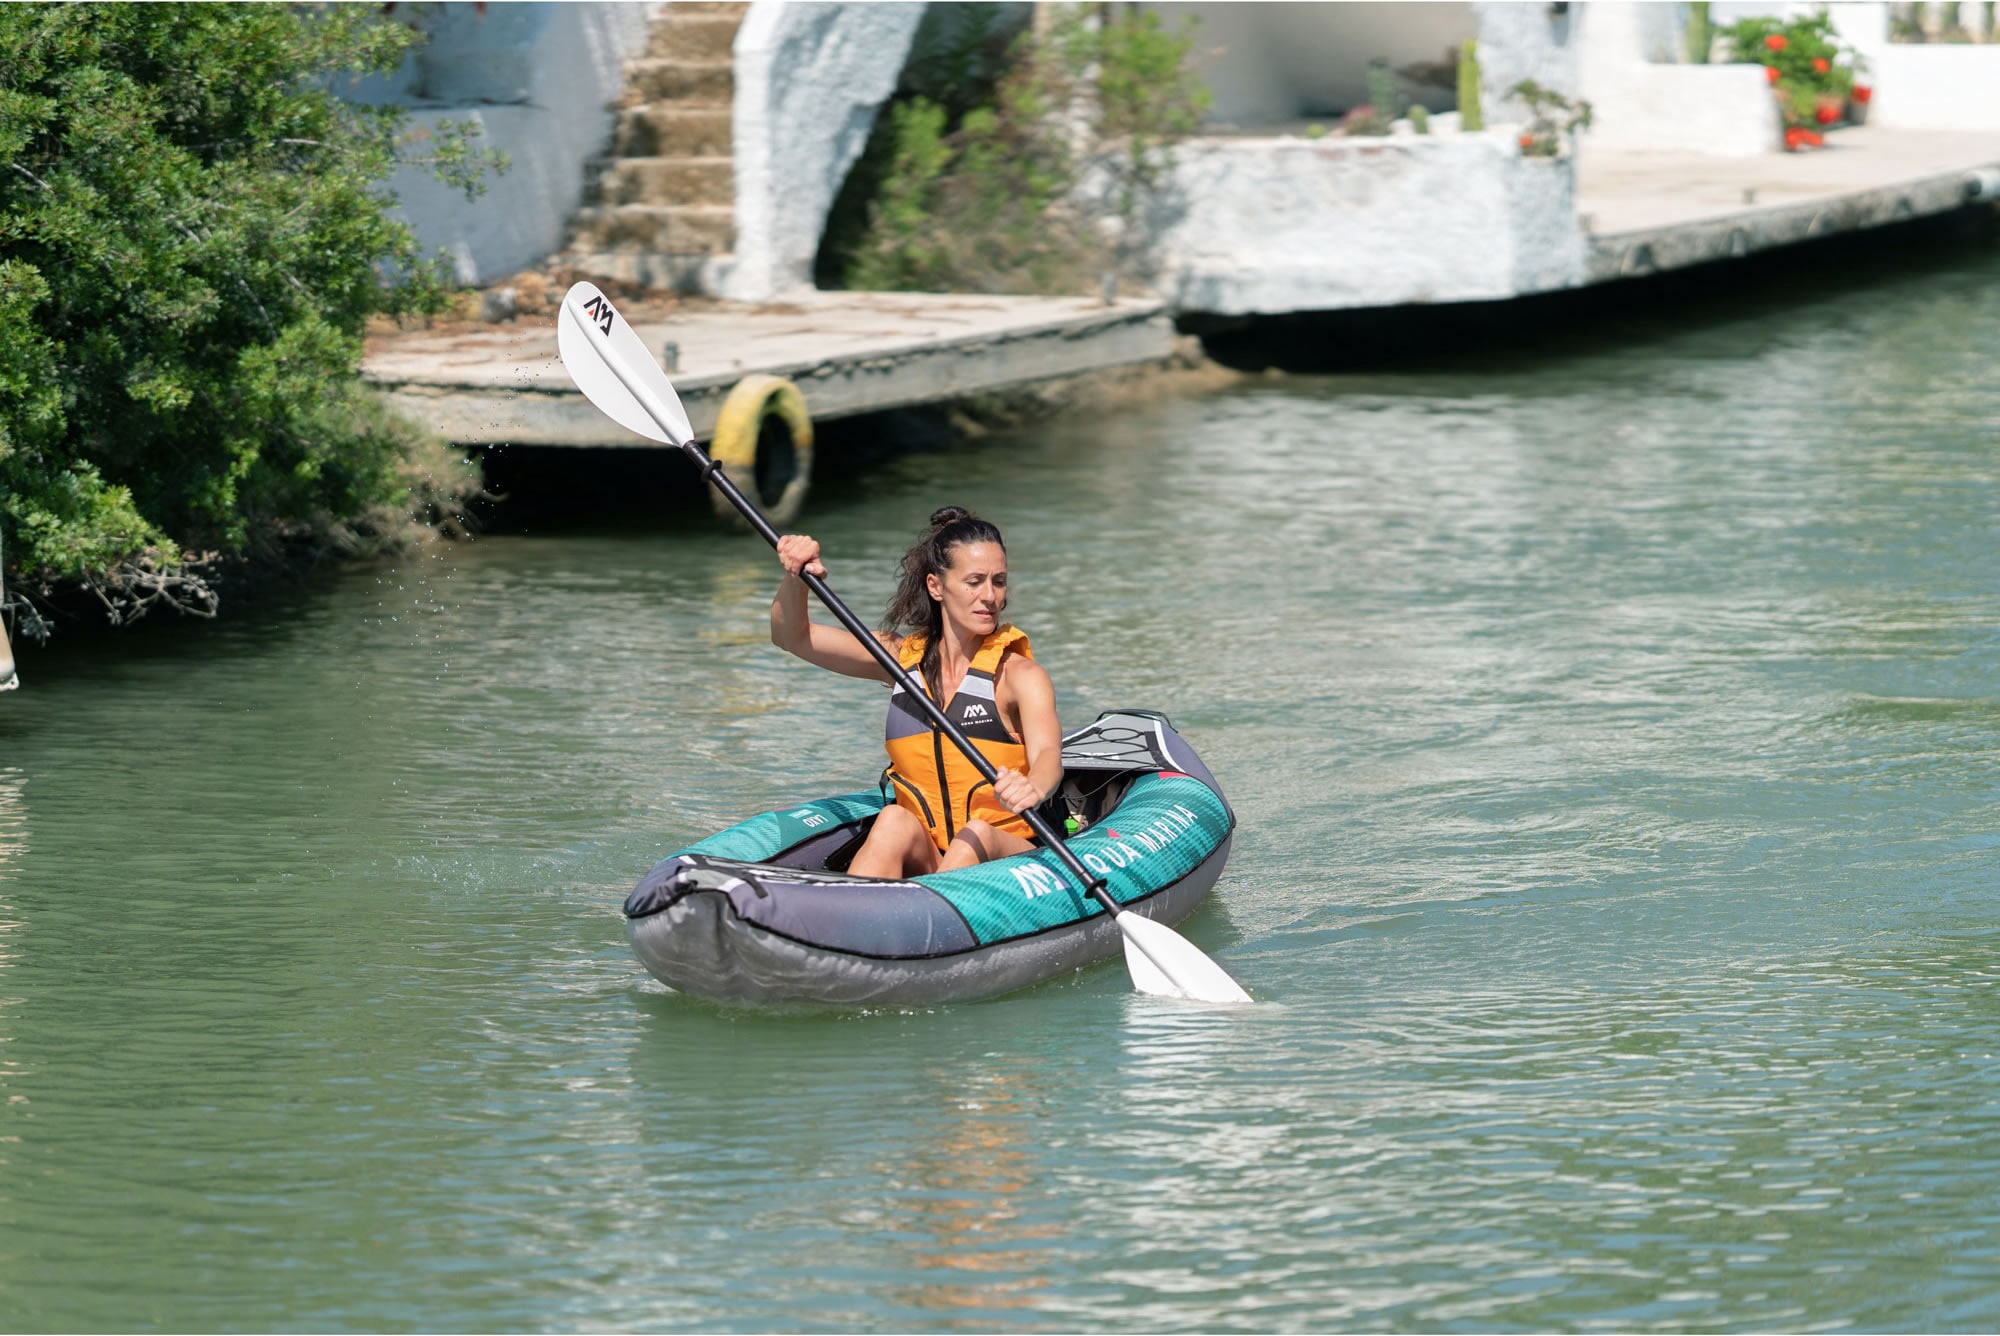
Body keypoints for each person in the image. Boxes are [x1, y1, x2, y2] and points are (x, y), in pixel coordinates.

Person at [770, 506, 1063, 879]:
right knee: (893, 819)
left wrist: (1032, 786)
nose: (990, 596)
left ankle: (924, 915)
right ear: (936, 586)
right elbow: (791, 636)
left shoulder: (1019, 675)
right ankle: (858, 916)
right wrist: (796, 577)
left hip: (1007, 854)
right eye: (974, 582)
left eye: (999, 581)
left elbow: (1049, 754)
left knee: (974, 834)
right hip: (935, 855)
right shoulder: (897, 660)